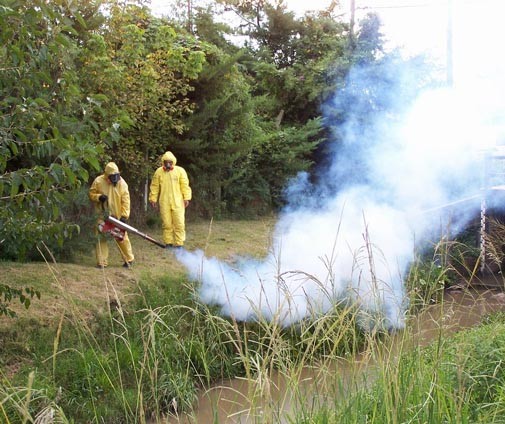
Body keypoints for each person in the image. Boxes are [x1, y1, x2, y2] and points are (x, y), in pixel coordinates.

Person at [89, 162, 135, 269]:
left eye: (116, 176)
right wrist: (99, 197)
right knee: (101, 238)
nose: (114, 179)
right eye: (112, 177)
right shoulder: (98, 181)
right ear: (107, 175)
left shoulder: (122, 184)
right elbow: (91, 194)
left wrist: (124, 216)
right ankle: (102, 262)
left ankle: (129, 259)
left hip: (117, 216)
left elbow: (126, 201)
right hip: (102, 215)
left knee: (121, 237)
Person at [149, 151, 192, 249]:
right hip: (164, 202)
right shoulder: (159, 172)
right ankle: (168, 242)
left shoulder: (180, 171)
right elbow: (154, 186)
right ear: (163, 162)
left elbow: (185, 185)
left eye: (170, 162)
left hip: (178, 202)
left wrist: (186, 198)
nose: (168, 164)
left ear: (173, 162)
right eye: (166, 162)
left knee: (179, 223)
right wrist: (153, 199)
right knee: (167, 223)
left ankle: (179, 243)